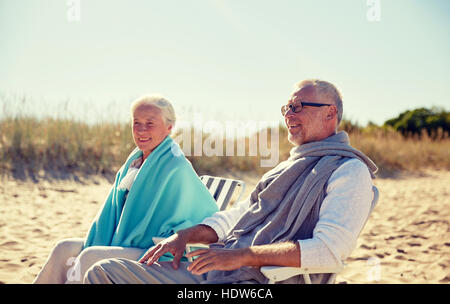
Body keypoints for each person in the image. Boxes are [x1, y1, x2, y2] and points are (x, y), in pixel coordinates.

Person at [83, 79, 378, 284]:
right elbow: (238, 215)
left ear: (331, 113)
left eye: (298, 106)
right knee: (102, 270)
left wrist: (241, 257)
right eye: (287, 108)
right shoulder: (287, 167)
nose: (289, 114)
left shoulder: (348, 172)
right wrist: (185, 236)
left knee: (103, 273)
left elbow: (328, 250)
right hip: (218, 269)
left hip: (256, 279)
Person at [32, 95, 219, 283]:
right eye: (136, 123)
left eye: (150, 123)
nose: (141, 130)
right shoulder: (135, 162)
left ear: (169, 128)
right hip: (123, 241)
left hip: (154, 251)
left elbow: (193, 217)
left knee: (91, 257)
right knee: (63, 248)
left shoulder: (176, 166)